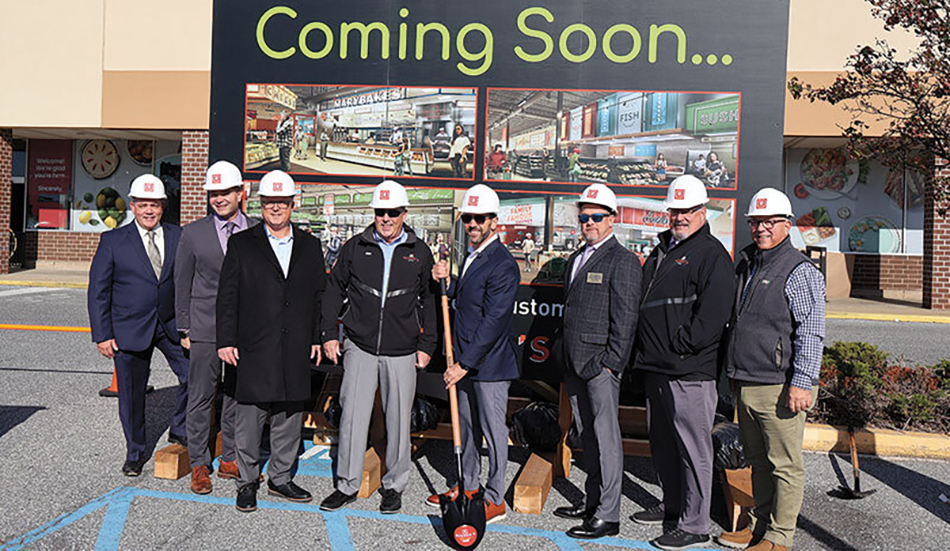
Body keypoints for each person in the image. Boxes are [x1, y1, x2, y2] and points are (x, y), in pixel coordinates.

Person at [716, 188, 826, 551]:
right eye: (756, 222)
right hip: (747, 380)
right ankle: (758, 527)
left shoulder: (798, 270)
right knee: (758, 462)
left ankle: (779, 538)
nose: (761, 228)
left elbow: (811, 331)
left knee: (784, 465)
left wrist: (803, 382)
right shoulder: (749, 263)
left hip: (779, 385)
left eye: (770, 221)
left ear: (787, 224)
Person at [319, 180, 437, 514]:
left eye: (393, 212)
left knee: (399, 421)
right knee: (352, 418)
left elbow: (429, 300)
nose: (386, 218)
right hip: (360, 345)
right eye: (381, 212)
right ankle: (346, 484)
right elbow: (333, 288)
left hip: (402, 349)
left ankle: (394, 486)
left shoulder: (419, 251)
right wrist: (329, 334)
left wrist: (427, 344)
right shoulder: (356, 247)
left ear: (404, 214)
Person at [631, 174, 735, 551]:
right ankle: (673, 505)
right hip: (657, 367)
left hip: (689, 370)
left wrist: (680, 345)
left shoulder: (711, 254)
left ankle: (695, 525)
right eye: (675, 210)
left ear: (702, 211)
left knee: (693, 449)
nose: (680, 217)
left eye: (688, 210)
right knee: (663, 446)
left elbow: (712, 316)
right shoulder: (665, 250)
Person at [216, 170, 326, 513]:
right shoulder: (242, 243)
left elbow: (318, 296)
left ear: (293, 204)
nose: (275, 208)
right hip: (253, 343)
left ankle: (280, 477)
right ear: (260, 205)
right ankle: (247, 481)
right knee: (250, 417)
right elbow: (227, 296)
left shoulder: (310, 245)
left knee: (289, 414)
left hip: (295, 343)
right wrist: (226, 340)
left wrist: (316, 338)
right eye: (269, 202)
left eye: (281, 202)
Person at [427, 184, 521, 525]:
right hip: (465, 359)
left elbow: (494, 320)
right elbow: (469, 299)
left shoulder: (503, 263)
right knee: (466, 426)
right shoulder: (473, 254)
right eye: (468, 218)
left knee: (493, 432)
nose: (473, 224)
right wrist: (446, 282)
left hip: (488, 364)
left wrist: (464, 364)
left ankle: (495, 498)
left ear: (494, 221)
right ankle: (468, 485)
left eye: (480, 219)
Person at [553, 184, 641, 540]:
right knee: (587, 437)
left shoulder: (623, 260)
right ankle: (592, 501)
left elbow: (626, 318)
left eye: (596, 217)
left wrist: (611, 363)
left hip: (600, 367)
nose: (589, 222)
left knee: (606, 440)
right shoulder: (577, 257)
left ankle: (608, 514)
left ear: (612, 219)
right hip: (576, 363)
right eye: (584, 217)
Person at [88, 174, 188, 477]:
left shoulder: (178, 235)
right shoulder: (113, 241)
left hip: (170, 324)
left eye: (154, 205)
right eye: (143, 205)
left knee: (194, 375)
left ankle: (179, 428)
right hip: (129, 328)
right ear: (132, 206)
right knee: (131, 396)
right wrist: (103, 335)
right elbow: (98, 291)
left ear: (163, 206)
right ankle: (135, 452)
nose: (149, 210)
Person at [175, 160, 257, 494]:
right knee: (201, 396)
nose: (219, 198)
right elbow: (182, 283)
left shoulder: (256, 229)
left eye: (225, 192)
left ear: (240, 192)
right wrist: (184, 328)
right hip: (205, 327)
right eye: (213, 193)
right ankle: (199, 462)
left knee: (237, 393)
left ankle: (230, 457)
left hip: (244, 328)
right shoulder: (193, 233)